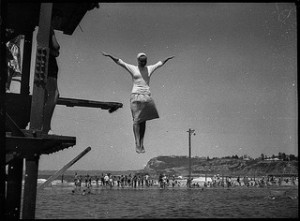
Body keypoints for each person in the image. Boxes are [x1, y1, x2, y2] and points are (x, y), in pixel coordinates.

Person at [102, 52, 174, 153]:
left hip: (146, 96)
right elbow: (120, 62)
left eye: (145, 61)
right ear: (138, 61)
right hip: (135, 96)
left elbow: (160, 63)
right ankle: (137, 143)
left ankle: (141, 143)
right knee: (136, 120)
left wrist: (168, 57)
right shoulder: (133, 68)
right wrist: (109, 55)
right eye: (141, 61)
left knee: (143, 120)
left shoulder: (149, 68)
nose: (143, 63)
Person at [42, 9, 63, 134]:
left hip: (50, 65)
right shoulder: (49, 29)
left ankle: (45, 124)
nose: (60, 22)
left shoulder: (48, 29)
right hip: (50, 66)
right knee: (54, 94)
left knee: (51, 94)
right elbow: (56, 47)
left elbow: (56, 51)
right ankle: (46, 125)